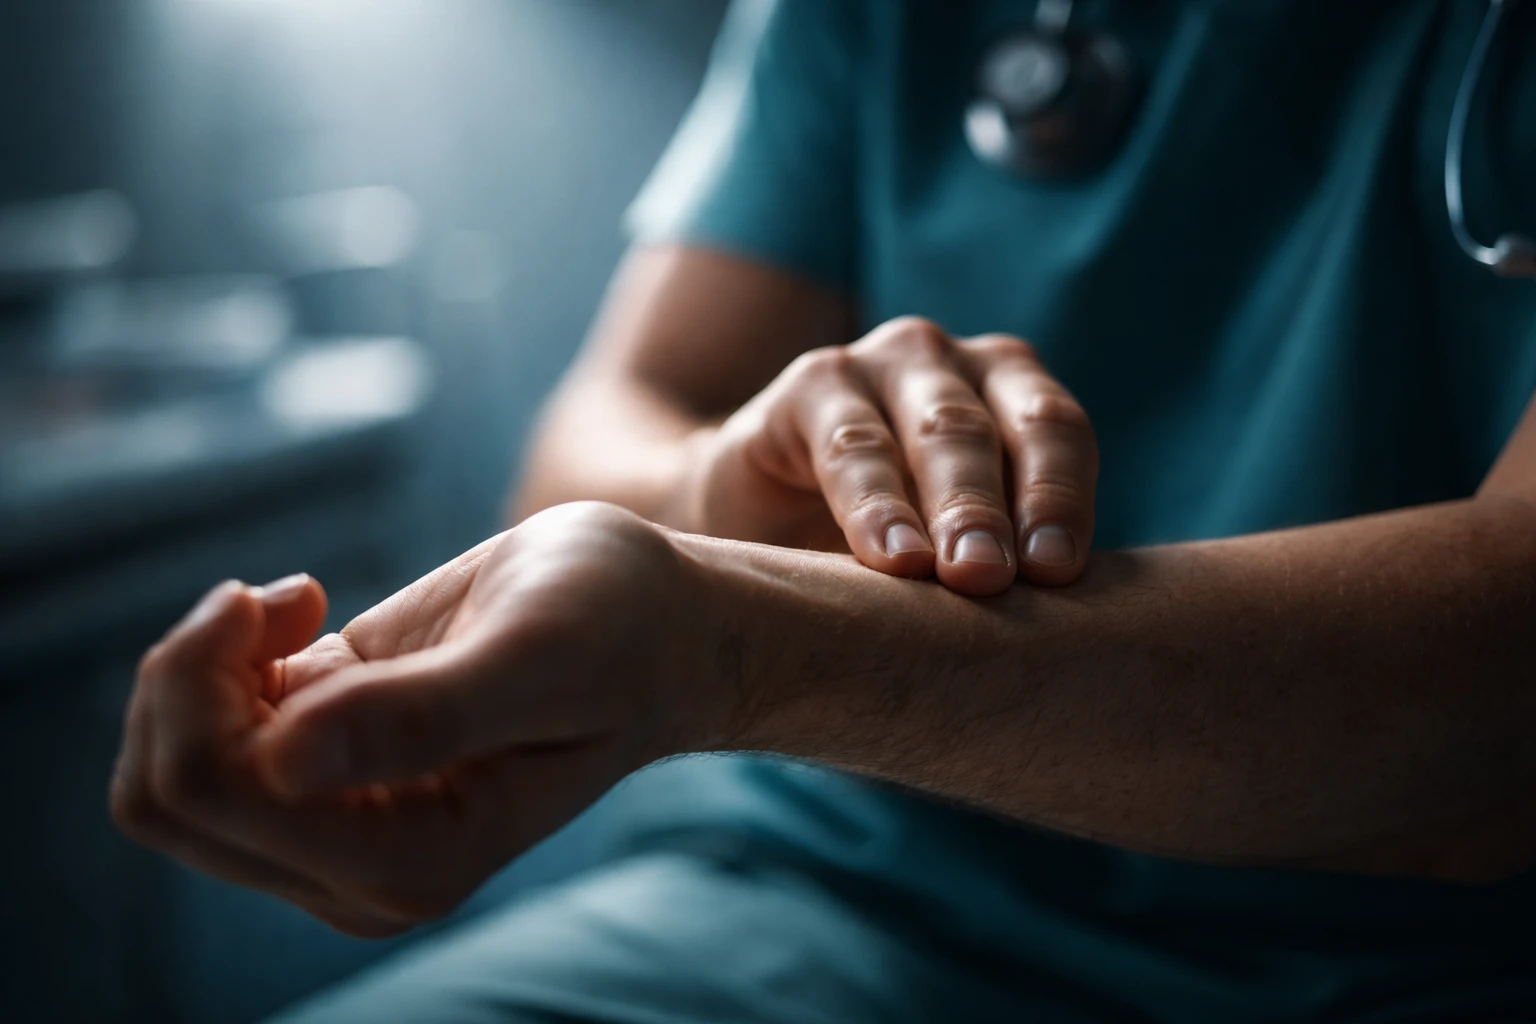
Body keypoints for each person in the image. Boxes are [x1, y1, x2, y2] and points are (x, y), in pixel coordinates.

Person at [112, 0, 1536, 1020]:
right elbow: (589, 444)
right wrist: (717, 489)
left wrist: (739, 643)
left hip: (1399, 969)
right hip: (820, 902)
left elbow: (1500, 719)